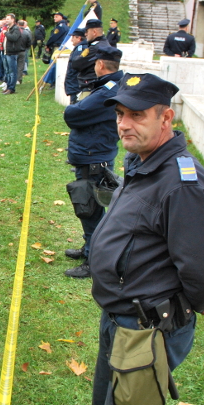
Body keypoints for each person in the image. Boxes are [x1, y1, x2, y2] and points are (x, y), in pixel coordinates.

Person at [91, 73, 204, 405]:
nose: (123, 125)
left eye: (136, 116)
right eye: (120, 114)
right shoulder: (144, 161)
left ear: (166, 119)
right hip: (120, 319)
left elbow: (202, 267)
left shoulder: (183, 183)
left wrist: (201, 296)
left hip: (145, 328)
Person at [63, 46, 123, 279]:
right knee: (91, 208)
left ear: (99, 65)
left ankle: (93, 260)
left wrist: (73, 107)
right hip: (94, 154)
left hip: (93, 158)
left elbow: (73, 114)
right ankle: (89, 248)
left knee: (89, 208)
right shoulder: (111, 86)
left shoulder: (106, 91)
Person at [70, 19, 111, 100]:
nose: (85, 34)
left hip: (90, 87)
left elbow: (76, 64)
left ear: (94, 32)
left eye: (87, 32)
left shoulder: (95, 47)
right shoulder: (105, 44)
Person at [64, 29, 87, 104]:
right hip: (76, 84)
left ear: (79, 38)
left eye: (73, 37)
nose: (71, 40)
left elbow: (76, 67)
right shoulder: (81, 48)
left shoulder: (80, 49)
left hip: (76, 85)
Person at [1, 15, 23, 95]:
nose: (6, 20)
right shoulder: (8, 28)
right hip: (6, 52)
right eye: (6, 19)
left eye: (8, 19)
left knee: (12, 71)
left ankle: (11, 88)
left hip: (12, 53)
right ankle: (8, 87)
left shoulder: (15, 28)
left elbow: (14, 38)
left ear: (13, 20)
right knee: (7, 71)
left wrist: (6, 33)